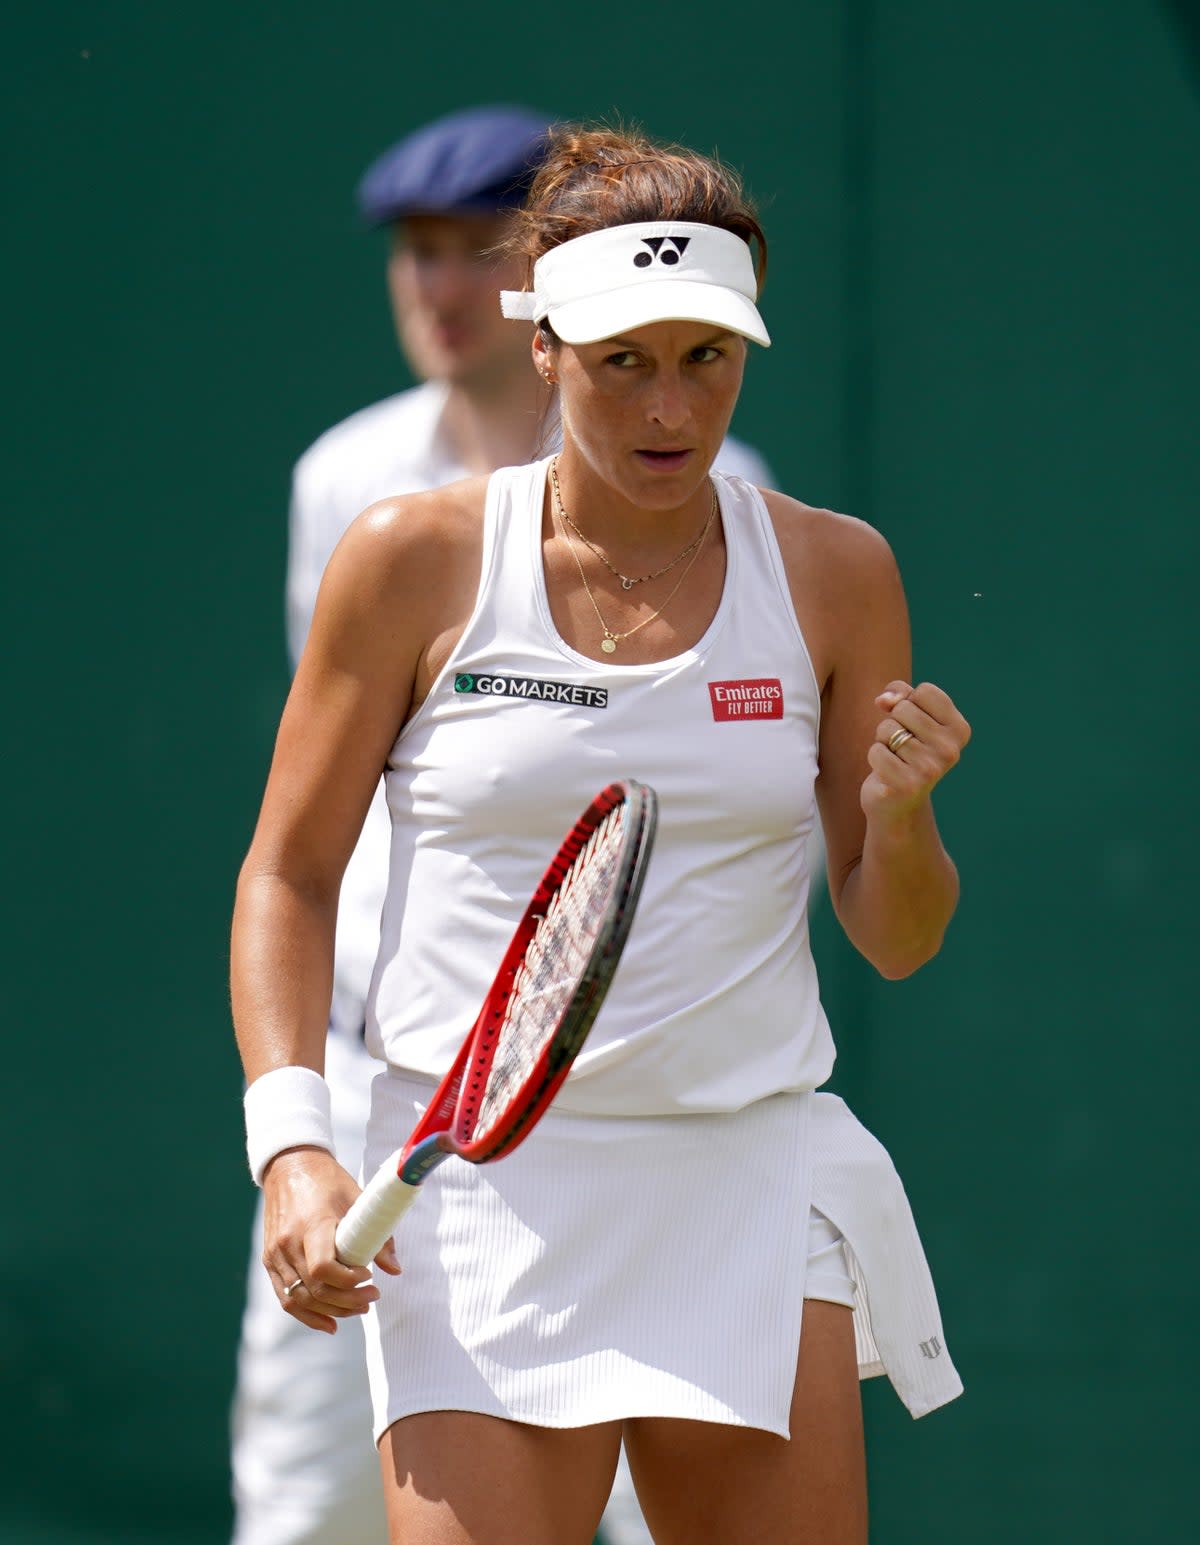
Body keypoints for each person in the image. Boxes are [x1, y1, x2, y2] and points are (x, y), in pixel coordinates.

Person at [231, 122, 971, 1545]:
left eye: (708, 355)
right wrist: (293, 1147)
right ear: (546, 346)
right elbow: (289, 871)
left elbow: (895, 933)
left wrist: (904, 815)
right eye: (623, 356)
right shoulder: (406, 557)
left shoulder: (835, 570)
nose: (669, 404)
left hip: (752, 1176)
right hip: (476, 1192)